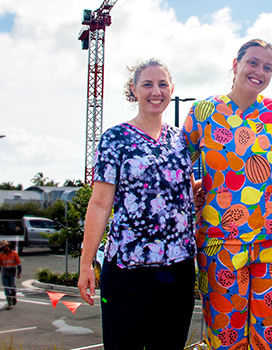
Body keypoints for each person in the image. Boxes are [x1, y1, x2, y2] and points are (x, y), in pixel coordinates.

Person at [183, 39, 272, 350]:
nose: (259, 71)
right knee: (225, 336)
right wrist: (194, 187)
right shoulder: (202, 111)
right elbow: (177, 163)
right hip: (219, 239)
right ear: (235, 65)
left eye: (268, 67)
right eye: (253, 62)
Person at [77, 58, 196, 350]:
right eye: (147, 84)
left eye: (162, 84)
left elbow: (186, 194)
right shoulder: (115, 139)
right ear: (134, 90)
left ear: (171, 89)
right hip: (129, 271)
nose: (156, 91)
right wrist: (86, 262)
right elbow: (100, 204)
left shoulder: (182, 141)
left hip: (177, 270)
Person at [0, 241, 21, 310]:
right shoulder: (1, 255)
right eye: (2, 247)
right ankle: (9, 303)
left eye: (4, 247)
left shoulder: (14, 253)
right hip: (4, 273)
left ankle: (14, 297)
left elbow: (19, 263)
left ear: (7, 246)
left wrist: (19, 272)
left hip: (12, 273)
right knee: (6, 288)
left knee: (12, 286)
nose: (3, 248)